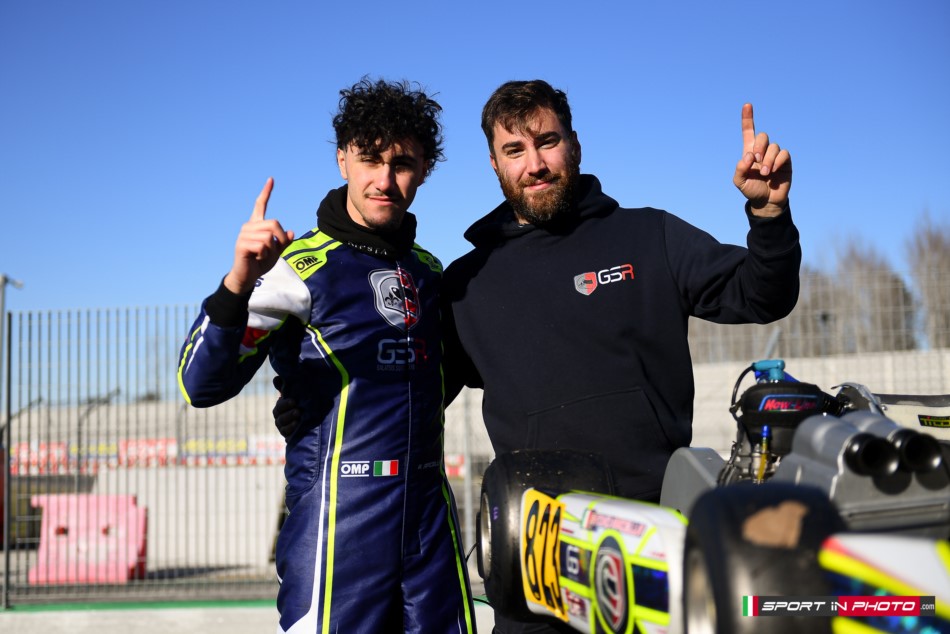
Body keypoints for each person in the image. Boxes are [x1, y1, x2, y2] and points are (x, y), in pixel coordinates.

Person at [274, 79, 800, 634]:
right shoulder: (467, 282)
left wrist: (768, 214)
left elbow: (762, 294)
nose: (535, 165)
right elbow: (415, 386)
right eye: (514, 150)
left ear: (574, 144)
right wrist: (324, 400)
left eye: (547, 142)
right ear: (495, 164)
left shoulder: (651, 237)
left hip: (657, 539)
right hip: (535, 558)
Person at [177, 78, 477, 634]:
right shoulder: (294, 267)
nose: (384, 179)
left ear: (425, 169)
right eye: (370, 160)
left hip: (430, 519)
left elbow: (440, 377)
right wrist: (238, 281)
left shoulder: (429, 272)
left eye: (402, 163)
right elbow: (200, 384)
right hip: (341, 521)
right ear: (343, 161)